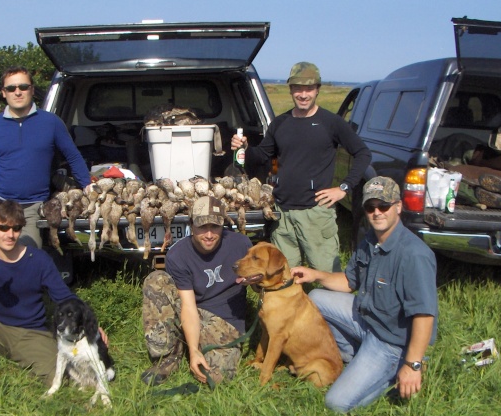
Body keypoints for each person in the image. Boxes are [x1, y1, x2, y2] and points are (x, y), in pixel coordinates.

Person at [291, 177, 438, 413]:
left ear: (398, 207)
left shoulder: (414, 255)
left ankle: (395, 370)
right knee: (316, 297)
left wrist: (413, 364)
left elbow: (424, 316)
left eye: (383, 206)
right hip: (367, 320)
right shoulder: (370, 240)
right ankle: (355, 357)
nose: (376, 212)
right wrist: (314, 274)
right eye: (370, 207)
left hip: (391, 342)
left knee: (337, 404)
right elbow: (350, 282)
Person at [0, 200, 99, 401]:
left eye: (15, 228)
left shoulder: (38, 259)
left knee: (64, 378)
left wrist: (91, 324)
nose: (10, 234)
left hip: (31, 334)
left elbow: (64, 296)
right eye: (3, 227)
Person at [0, 66, 92, 311]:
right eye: (11, 88)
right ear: (3, 93)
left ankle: (22, 322)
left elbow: (73, 156)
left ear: (32, 90)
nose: (18, 92)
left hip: (32, 208)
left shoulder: (50, 123)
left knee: (27, 264)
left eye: (23, 87)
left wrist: (89, 187)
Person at [231, 61, 371, 272]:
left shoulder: (331, 122)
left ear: (317, 90)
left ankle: (328, 306)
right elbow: (260, 156)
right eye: (298, 88)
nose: (303, 94)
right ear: (290, 90)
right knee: (283, 276)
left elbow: (363, 153)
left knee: (326, 277)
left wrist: (343, 188)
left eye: (309, 88)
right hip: (283, 214)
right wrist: (245, 147)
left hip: (316, 214)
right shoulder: (280, 123)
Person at [141, 196, 252, 386]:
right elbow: (188, 306)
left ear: (222, 226)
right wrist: (194, 350)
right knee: (156, 280)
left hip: (224, 318)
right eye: (202, 227)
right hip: (192, 308)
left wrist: (258, 283)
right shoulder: (177, 255)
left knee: (215, 378)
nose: (209, 234)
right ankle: (169, 356)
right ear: (191, 225)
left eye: (215, 227)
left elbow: (260, 285)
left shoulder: (242, 245)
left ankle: (195, 344)